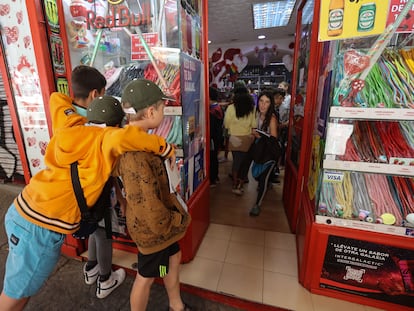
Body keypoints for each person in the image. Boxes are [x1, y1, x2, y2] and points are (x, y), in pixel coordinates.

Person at [0, 89, 174, 310]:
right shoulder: (108, 139)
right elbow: (130, 139)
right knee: (14, 293)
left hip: (21, 210)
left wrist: (86, 114)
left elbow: (56, 98)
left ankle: (172, 297)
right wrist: (165, 147)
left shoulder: (70, 125)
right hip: (40, 228)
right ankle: (172, 299)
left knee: (21, 289)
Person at [113, 79, 191, 311]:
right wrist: (174, 220)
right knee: (146, 276)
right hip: (155, 227)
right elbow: (148, 203)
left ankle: (175, 304)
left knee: (170, 260)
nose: (164, 113)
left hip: (161, 226)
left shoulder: (141, 142)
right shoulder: (136, 154)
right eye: (162, 108)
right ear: (150, 111)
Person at [82, 96, 128, 299]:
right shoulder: (109, 141)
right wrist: (121, 197)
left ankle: (91, 268)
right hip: (100, 199)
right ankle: (105, 279)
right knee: (104, 235)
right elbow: (113, 174)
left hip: (83, 198)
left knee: (94, 231)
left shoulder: (84, 135)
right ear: (117, 124)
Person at [239, 90, 279, 216]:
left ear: (270, 104)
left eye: (266, 102)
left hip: (269, 154)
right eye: (261, 101)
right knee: (256, 175)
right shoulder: (255, 115)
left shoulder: (272, 118)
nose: (263, 105)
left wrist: (259, 135)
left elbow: (273, 139)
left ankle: (257, 205)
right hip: (258, 152)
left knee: (263, 180)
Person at [224, 88, 256, 195]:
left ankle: (234, 184)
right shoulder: (252, 109)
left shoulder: (230, 108)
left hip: (234, 138)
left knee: (236, 161)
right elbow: (254, 125)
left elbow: (226, 124)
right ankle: (240, 185)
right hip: (247, 139)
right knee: (244, 163)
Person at [209, 86, 224, 187]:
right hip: (217, 137)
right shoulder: (217, 108)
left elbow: (212, 128)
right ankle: (215, 177)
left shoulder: (212, 111)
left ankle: (213, 179)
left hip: (213, 138)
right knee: (214, 158)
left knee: (212, 158)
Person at [271, 87, 286, 184]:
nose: (280, 100)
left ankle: (274, 173)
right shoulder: (273, 109)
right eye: (278, 98)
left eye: (281, 98)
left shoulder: (279, 108)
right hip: (273, 136)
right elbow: (276, 125)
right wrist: (285, 124)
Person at [277, 81, 291, 166]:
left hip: (284, 124)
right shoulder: (277, 97)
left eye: (281, 86)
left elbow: (290, 112)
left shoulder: (289, 98)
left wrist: (287, 123)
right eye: (279, 86)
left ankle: (281, 163)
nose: (279, 87)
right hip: (277, 124)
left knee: (282, 145)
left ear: (286, 88)